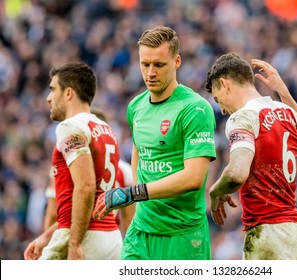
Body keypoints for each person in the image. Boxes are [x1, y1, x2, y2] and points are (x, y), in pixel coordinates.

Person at [92, 26, 217, 260]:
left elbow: (194, 178)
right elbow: (140, 152)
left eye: (159, 65)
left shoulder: (195, 109)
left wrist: (133, 193)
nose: (150, 72)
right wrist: (140, 203)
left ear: (177, 61)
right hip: (141, 231)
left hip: (182, 235)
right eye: (144, 64)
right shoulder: (136, 107)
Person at [204, 53, 297, 260]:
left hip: (269, 232)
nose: (223, 110)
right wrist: (283, 91)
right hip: (296, 231)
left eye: (218, 100)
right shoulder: (286, 112)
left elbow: (237, 173)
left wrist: (215, 190)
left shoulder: (243, 117)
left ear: (224, 83)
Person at [24, 62, 123, 260]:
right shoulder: (105, 128)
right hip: (111, 237)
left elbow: (85, 187)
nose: (48, 98)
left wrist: (75, 242)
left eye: (53, 90)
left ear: (69, 93)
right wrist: (47, 236)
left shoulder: (70, 127)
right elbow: (88, 201)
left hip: (84, 237)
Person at [42, 109, 135, 237]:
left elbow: (52, 214)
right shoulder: (126, 171)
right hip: (112, 237)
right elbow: (130, 222)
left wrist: (47, 241)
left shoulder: (68, 166)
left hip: (81, 234)